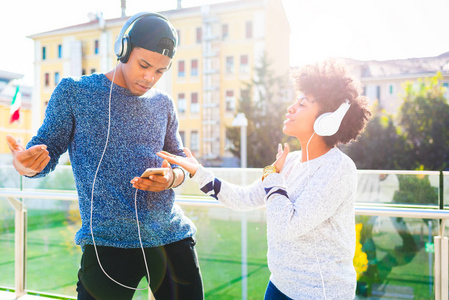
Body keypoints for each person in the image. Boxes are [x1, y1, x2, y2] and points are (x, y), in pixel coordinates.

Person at [6, 12, 203, 300]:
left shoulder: (164, 104)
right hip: (106, 245)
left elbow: (181, 163)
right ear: (122, 49)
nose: (150, 77)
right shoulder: (75, 93)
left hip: (170, 238)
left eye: (160, 71)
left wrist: (172, 177)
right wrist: (26, 165)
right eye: (144, 65)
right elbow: (45, 152)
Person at [158, 59, 372, 299]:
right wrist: (198, 171)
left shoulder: (338, 169)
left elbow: (288, 226)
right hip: (279, 285)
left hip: (319, 293)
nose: (291, 108)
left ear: (327, 120)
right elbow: (243, 198)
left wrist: (273, 178)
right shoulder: (289, 163)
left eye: (302, 104)